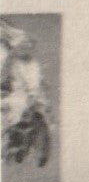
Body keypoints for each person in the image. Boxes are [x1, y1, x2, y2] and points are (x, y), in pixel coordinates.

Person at [1, 19, 52, 168]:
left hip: (22, 99)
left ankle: (16, 145)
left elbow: (33, 88)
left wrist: (36, 98)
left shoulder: (28, 65)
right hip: (14, 97)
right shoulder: (12, 62)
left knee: (16, 107)